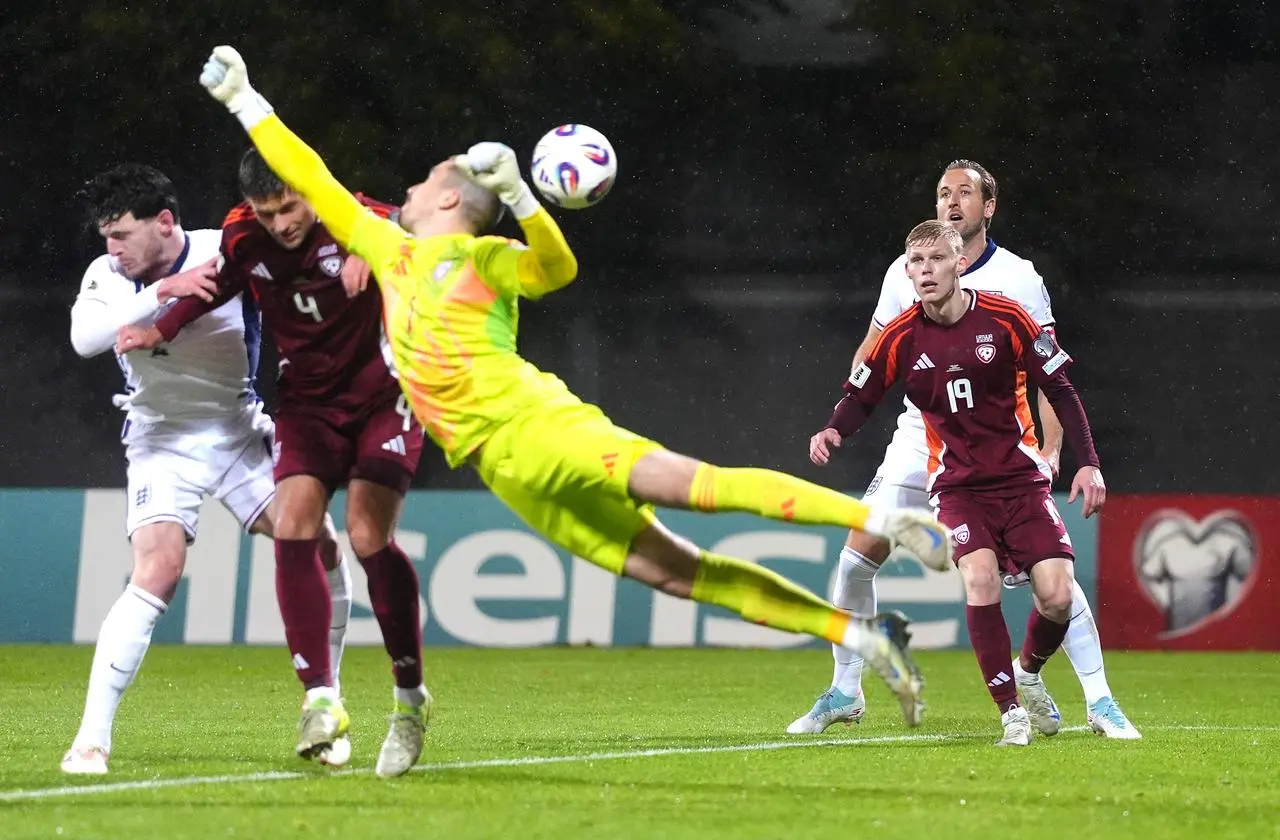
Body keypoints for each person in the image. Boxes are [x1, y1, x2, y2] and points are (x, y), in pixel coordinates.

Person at [195, 45, 957, 740]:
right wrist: (246, 102)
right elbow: (312, 175)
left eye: (423, 184)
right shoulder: (387, 249)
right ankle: (858, 634)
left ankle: (882, 518)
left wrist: (522, 199)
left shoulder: (484, 256)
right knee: (672, 571)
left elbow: (556, 270)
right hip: (500, 468)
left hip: (542, 425)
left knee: (697, 487)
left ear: (453, 203)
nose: (407, 189)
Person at [789, 160, 1140, 741]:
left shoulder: (1018, 278)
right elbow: (876, 348)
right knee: (855, 558)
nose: (951, 201)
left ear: (988, 208)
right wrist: (844, 412)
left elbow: (1051, 374)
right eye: (942, 192)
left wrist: (1053, 452)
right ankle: (844, 691)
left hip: (1006, 443)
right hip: (922, 433)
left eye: (964, 193)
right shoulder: (905, 271)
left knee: (1053, 581)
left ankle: (1097, 699)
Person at [118, 149, 433, 778]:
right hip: (307, 404)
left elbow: (416, 228)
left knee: (370, 537)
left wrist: (377, 249)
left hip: (382, 394)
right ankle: (320, 698)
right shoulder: (243, 233)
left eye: (290, 206)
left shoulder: (356, 218)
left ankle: (409, 700)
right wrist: (163, 328)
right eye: (268, 211)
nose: (282, 223)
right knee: (294, 530)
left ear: (312, 193)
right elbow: (221, 281)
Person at [63, 164, 350, 774]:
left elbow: (326, 223)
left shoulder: (227, 246)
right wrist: (162, 292)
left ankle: (327, 707)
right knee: (159, 568)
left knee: (322, 546)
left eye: (121, 235)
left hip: (239, 431)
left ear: (165, 223)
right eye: (106, 237)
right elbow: (86, 338)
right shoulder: (110, 275)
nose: (111, 249)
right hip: (161, 440)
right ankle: (90, 740)